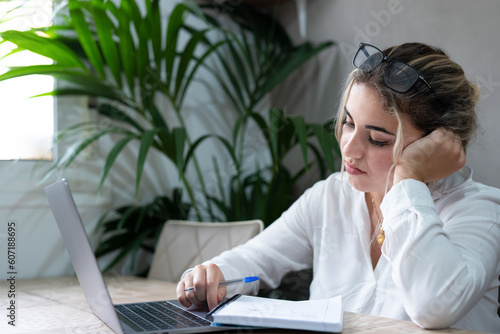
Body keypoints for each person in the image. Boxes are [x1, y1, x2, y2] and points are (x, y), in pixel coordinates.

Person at [176, 42, 500, 333]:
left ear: (437, 144)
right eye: (348, 123)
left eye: (377, 140)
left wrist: (409, 177)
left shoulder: (483, 212)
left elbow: (433, 307)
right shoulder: (332, 195)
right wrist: (214, 273)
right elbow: (256, 259)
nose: (349, 148)